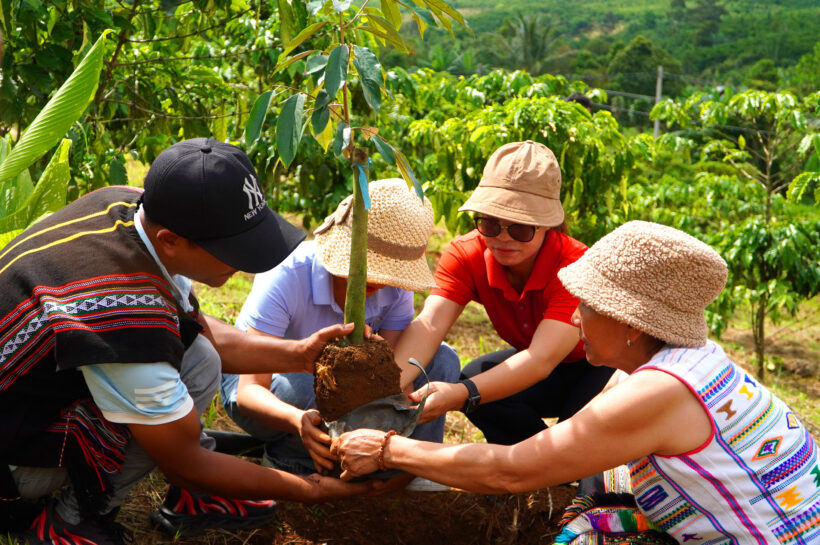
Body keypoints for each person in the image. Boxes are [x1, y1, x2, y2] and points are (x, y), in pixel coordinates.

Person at [333, 220, 820, 544]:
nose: (576, 317)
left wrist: (388, 450)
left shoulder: (657, 392)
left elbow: (511, 471)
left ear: (631, 323)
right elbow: (573, 444)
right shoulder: (690, 362)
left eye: (585, 304)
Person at [0, 138, 372, 545]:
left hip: (35, 390)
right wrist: (310, 488)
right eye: (231, 249)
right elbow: (184, 463)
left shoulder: (128, 209)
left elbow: (198, 332)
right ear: (171, 241)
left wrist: (300, 355)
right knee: (170, 418)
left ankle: (190, 501)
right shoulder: (127, 327)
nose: (242, 264)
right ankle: (69, 523)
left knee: (199, 358)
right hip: (11, 456)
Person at [220, 178, 460, 488]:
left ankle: (408, 470)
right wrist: (297, 422)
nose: (382, 284)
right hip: (267, 385)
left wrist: (392, 423)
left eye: (392, 274)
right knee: (313, 388)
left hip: (345, 392)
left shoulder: (395, 288)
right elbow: (249, 391)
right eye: (374, 270)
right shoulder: (289, 273)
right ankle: (293, 459)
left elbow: (396, 377)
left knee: (439, 362)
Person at [391, 140, 613, 445]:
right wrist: (388, 391)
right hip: (546, 372)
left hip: (600, 366)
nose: (503, 238)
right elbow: (430, 324)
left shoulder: (574, 266)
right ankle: (538, 465)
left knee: (580, 442)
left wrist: (460, 394)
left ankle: (566, 462)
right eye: (491, 223)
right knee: (477, 383)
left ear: (547, 224)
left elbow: (539, 359)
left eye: (520, 228)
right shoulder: (466, 254)